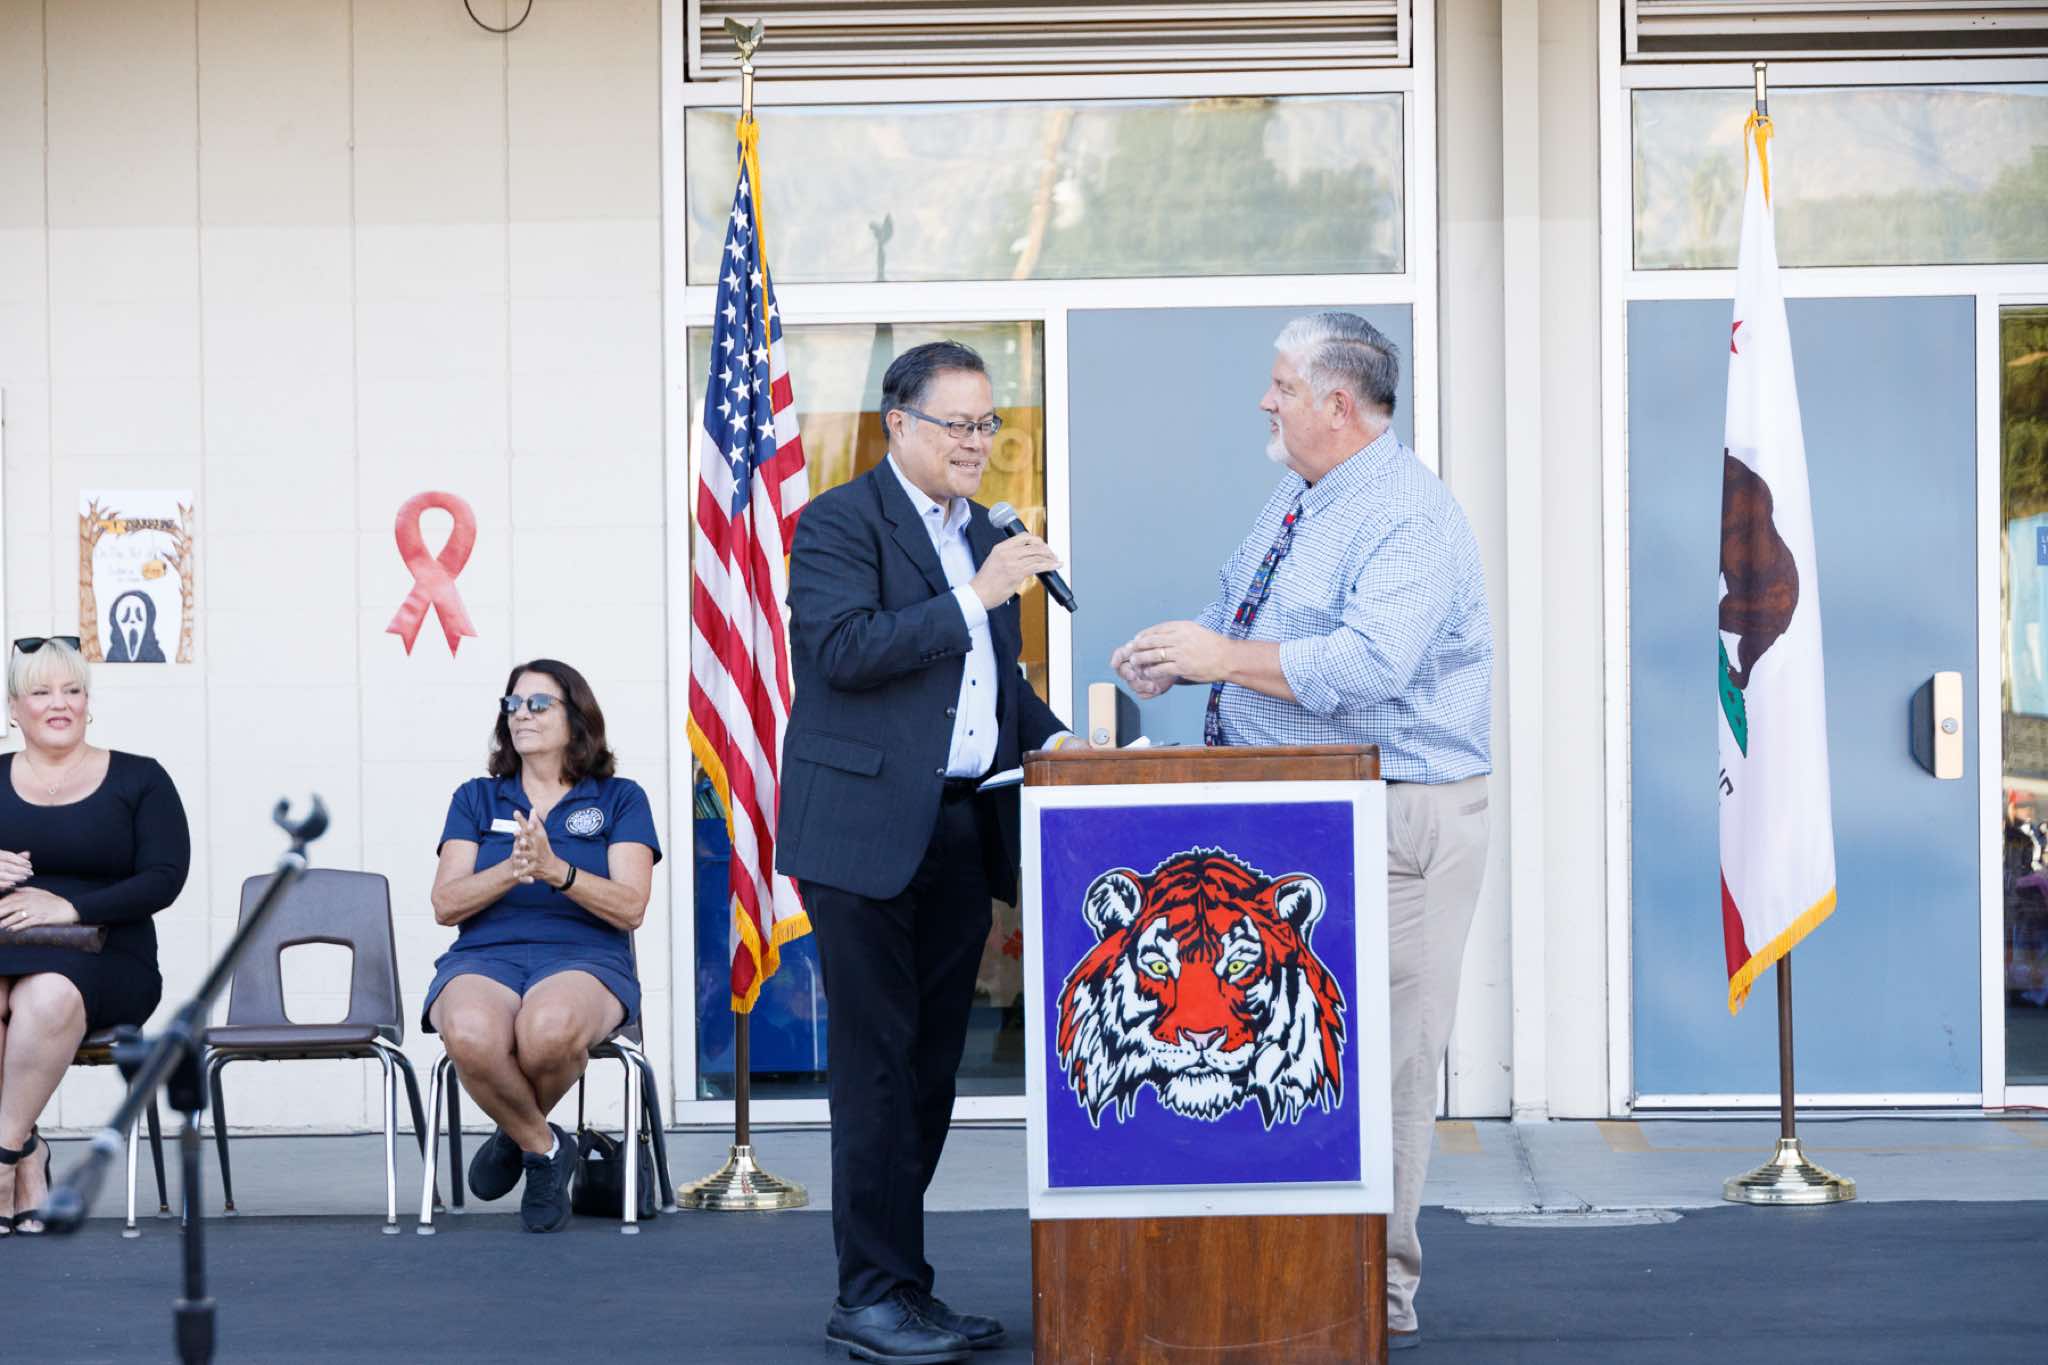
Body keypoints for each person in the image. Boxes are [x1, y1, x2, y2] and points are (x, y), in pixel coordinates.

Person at [1112, 312, 1492, 1353]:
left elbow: (1369, 666)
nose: (1263, 401)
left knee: (1385, 1064)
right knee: (1282, 1055)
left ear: (1337, 403)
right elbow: (1241, 624)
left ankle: (1372, 1298)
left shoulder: (1409, 516)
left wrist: (1220, 659)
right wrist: (1175, 654)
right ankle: (1290, 1274)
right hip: (1299, 817)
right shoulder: (1299, 495)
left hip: (1399, 819)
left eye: (1281, 385)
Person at [779, 340, 1073, 1365]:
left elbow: (992, 689)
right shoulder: (838, 522)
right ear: (898, 424)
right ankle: (865, 1297)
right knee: (877, 1070)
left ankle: (902, 1284)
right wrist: (973, 596)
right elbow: (841, 650)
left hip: (958, 829)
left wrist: (1066, 746)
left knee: (930, 1072)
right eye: (958, 423)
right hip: (862, 834)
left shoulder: (981, 533)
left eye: (988, 423)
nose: (977, 442)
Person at [425, 658, 660, 1234]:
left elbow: (631, 906)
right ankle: (544, 1145)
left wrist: (558, 872)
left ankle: (513, 1135)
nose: (520, 715)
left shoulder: (620, 798)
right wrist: (512, 869)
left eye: (538, 703)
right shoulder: (476, 798)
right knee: (469, 1034)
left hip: (587, 957)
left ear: (576, 718)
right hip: (487, 956)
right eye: (512, 704)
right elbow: (446, 904)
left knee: (548, 1031)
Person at [0, 635, 191, 1234]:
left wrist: (69, 907)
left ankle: (0, 1162)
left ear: (87, 703)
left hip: (110, 955)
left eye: (72, 690)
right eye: (41, 692)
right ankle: (27, 1154)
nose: (59, 703)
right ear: (14, 708)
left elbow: (165, 877)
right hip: (7, 947)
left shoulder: (140, 778)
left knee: (47, 994)